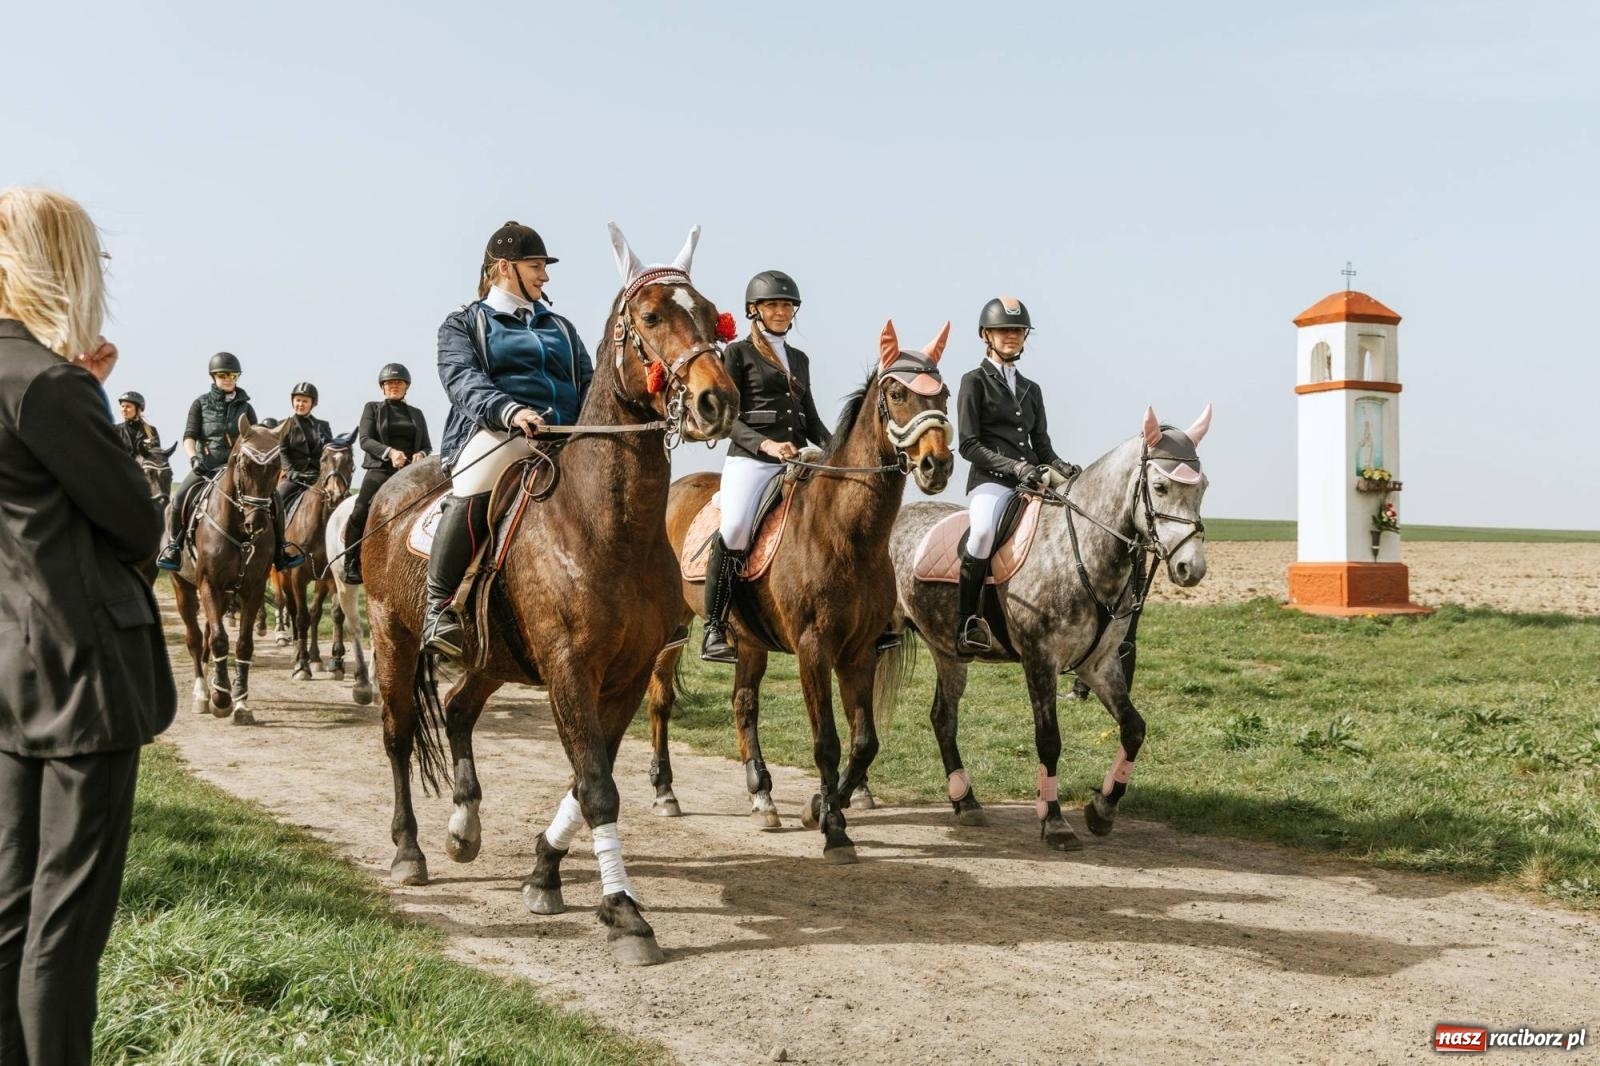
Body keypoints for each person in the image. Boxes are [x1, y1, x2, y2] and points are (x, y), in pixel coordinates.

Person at [0, 185, 176, 1066]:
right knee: (64, 931)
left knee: (10, 911)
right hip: (83, 673)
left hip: (11, 668)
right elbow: (138, 526)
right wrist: (89, 397)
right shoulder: (50, 383)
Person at [425, 221, 593, 656]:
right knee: (473, 483)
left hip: (568, 436)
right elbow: (462, 379)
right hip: (500, 433)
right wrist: (510, 411)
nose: (545, 276)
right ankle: (438, 608)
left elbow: (590, 383)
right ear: (504, 267)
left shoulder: (561, 327)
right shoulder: (463, 324)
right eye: (536, 266)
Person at [701, 270, 832, 663]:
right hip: (752, 460)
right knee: (735, 528)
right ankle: (713, 627)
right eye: (772, 305)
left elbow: (811, 420)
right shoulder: (737, 354)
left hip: (797, 459)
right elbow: (728, 419)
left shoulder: (800, 359)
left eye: (787, 305)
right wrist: (768, 445)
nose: (781, 311)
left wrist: (839, 452)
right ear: (754, 310)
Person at [954, 296, 1079, 655]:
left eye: (1018, 330)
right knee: (982, 533)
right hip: (991, 483)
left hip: (1032, 481)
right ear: (986, 335)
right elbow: (969, 445)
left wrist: (1064, 469)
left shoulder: (1031, 389)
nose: (1011, 336)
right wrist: (1015, 467)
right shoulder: (973, 382)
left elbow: (1042, 446)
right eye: (1003, 330)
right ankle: (966, 622)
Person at [156, 353, 303, 572]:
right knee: (178, 498)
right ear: (213, 377)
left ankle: (281, 549)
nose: (228, 379)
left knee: (275, 499)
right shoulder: (200, 404)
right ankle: (174, 547)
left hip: (241, 470)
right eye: (223, 375)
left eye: (232, 375)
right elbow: (189, 436)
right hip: (207, 466)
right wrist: (194, 458)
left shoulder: (246, 407)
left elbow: (256, 438)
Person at [343, 363, 432, 584]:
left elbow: (427, 446)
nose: (394, 386)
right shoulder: (372, 409)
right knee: (359, 510)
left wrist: (421, 454)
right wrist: (390, 452)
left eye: (398, 383)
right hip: (380, 470)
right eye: (389, 383)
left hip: (411, 473)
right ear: (382, 387)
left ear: (406, 387)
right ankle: (350, 562)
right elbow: (365, 440)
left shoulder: (417, 414)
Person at [275, 381, 333, 518]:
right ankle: (275, 530)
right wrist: (291, 472)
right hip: (294, 477)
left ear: (313, 403)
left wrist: (323, 473)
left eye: (305, 401)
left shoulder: (323, 426)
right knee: (278, 499)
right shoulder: (285, 424)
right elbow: (282, 451)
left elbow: (328, 452)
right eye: (298, 400)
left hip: (318, 477)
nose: (300, 404)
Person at [114, 390, 163, 461]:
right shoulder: (115, 429)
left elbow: (155, 456)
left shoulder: (151, 431)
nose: (124, 409)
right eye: (122, 406)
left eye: (128, 406)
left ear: (138, 409)